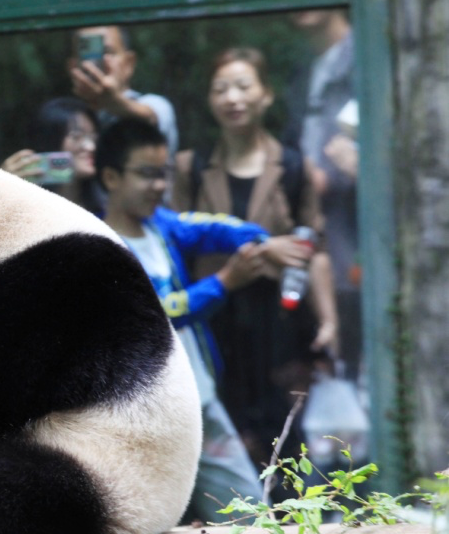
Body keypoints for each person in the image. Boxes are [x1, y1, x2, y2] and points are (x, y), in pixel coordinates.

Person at [96, 118, 301, 520]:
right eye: (146, 174)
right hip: (141, 418)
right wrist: (225, 281)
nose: (159, 185)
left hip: (199, 402)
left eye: (163, 174)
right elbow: (154, 313)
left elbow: (213, 227)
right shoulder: (99, 244)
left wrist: (262, 241)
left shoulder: (162, 226)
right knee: (133, 518)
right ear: (110, 176)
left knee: (248, 512)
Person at [170, 48, 339, 466]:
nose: (232, 98)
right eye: (221, 89)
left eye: (243, 86)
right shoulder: (190, 168)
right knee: (222, 431)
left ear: (265, 95)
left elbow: (314, 251)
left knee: (284, 434)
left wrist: (330, 320)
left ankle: (292, 519)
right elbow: (171, 238)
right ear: (210, 100)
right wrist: (268, 249)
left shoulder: (294, 166)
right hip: (214, 315)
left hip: (278, 320)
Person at [283, 8, 362, 381]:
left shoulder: (367, 57)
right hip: (317, 254)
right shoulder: (301, 72)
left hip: (363, 246)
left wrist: (358, 168)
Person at [69, 25, 179, 158]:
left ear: (129, 63)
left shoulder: (156, 105)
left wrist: (113, 102)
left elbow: (151, 117)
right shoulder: (64, 117)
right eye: (88, 52)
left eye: (108, 52)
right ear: (73, 67)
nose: (99, 61)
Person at [1, 97, 101, 215]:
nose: (91, 147)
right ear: (50, 140)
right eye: (77, 136)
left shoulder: (108, 204)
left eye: (93, 137)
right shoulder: (23, 204)